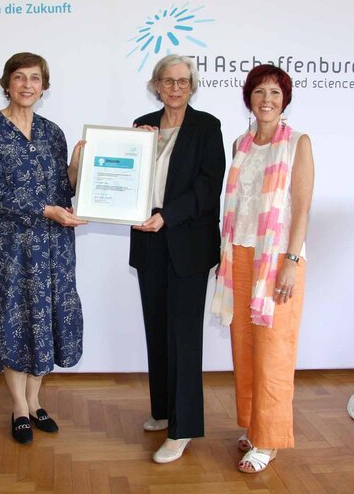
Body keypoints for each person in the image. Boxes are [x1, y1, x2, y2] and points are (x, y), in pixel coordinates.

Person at [0, 52, 85, 445]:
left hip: (52, 246)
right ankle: (18, 407)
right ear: (7, 83)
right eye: (19, 77)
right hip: (6, 249)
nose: (28, 85)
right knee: (12, 320)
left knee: (46, 320)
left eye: (35, 78)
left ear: (44, 86)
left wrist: (78, 167)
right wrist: (44, 209)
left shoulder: (53, 133)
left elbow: (63, 190)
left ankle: (36, 402)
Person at [211, 64, 314, 473]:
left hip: (278, 259)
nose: (266, 100)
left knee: (274, 351)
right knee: (247, 348)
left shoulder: (298, 143)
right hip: (239, 254)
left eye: (274, 92)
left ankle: (269, 441)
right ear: (249, 99)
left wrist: (290, 261)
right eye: (259, 93)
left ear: (284, 99)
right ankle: (256, 427)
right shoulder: (241, 142)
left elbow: (302, 208)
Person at [130, 54, 225, 464]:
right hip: (148, 241)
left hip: (186, 242)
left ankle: (183, 427)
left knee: (184, 338)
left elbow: (208, 188)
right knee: (157, 328)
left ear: (192, 86)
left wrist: (166, 216)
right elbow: (127, 178)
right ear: (156, 85)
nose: (175, 88)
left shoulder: (207, 127)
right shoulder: (142, 125)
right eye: (167, 81)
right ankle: (164, 409)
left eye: (183, 81)